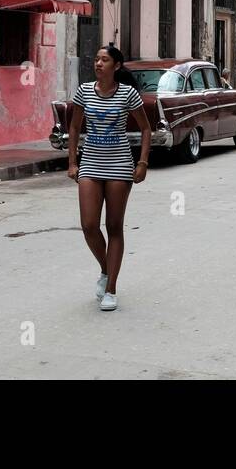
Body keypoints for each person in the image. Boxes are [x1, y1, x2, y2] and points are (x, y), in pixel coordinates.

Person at [66, 45, 151, 312]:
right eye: (96, 59)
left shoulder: (128, 94)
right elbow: (75, 127)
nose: (98, 63)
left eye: (105, 60)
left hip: (119, 165)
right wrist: (72, 162)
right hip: (90, 163)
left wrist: (143, 162)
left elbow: (146, 128)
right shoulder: (84, 92)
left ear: (116, 66)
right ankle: (105, 269)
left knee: (114, 226)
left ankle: (111, 288)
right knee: (89, 225)